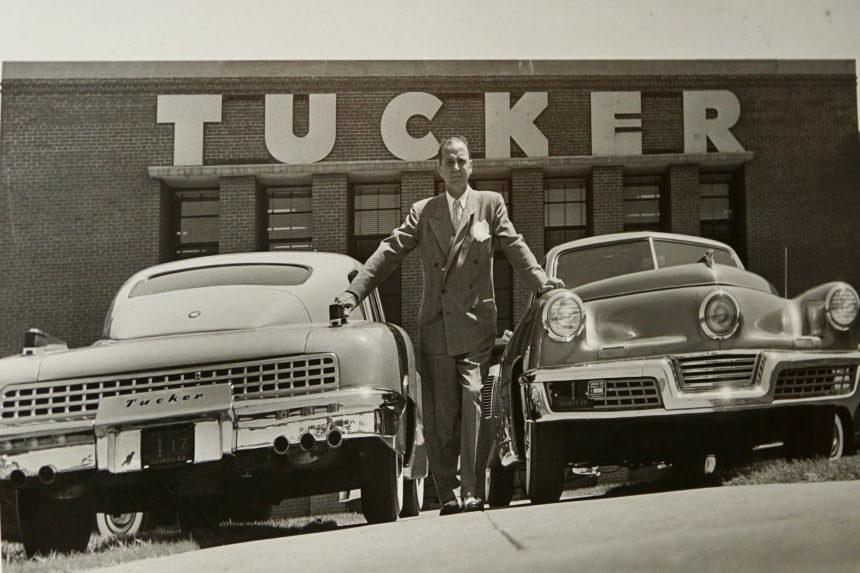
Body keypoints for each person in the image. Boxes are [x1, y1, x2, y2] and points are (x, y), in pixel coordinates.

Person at [334, 136, 563, 515]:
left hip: (476, 323)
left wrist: (541, 280)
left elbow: (515, 246)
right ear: (439, 170)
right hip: (437, 326)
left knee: (473, 400)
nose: (456, 168)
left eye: (461, 161)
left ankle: (473, 492)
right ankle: (451, 495)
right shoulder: (425, 211)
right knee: (441, 416)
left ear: (471, 166)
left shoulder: (490, 204)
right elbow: (389, 252)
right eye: (448, 162)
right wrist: (353, 294)